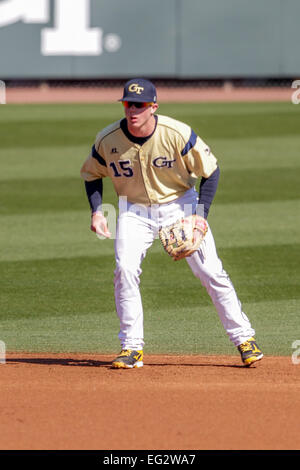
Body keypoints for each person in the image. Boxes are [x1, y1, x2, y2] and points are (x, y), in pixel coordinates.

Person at [80, 78, 263, 369]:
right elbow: (91, 175)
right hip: (133, 210)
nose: (133, 110)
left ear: (153, 106)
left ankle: (245, 339)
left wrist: (200, 217)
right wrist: (97, 211)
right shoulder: (108, 139)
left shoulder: (177, 133)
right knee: (124, 270)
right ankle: (131, 348)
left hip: (181, 205)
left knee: (210, 271)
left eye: (139, 104)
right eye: (128, 104)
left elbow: (211, 172)